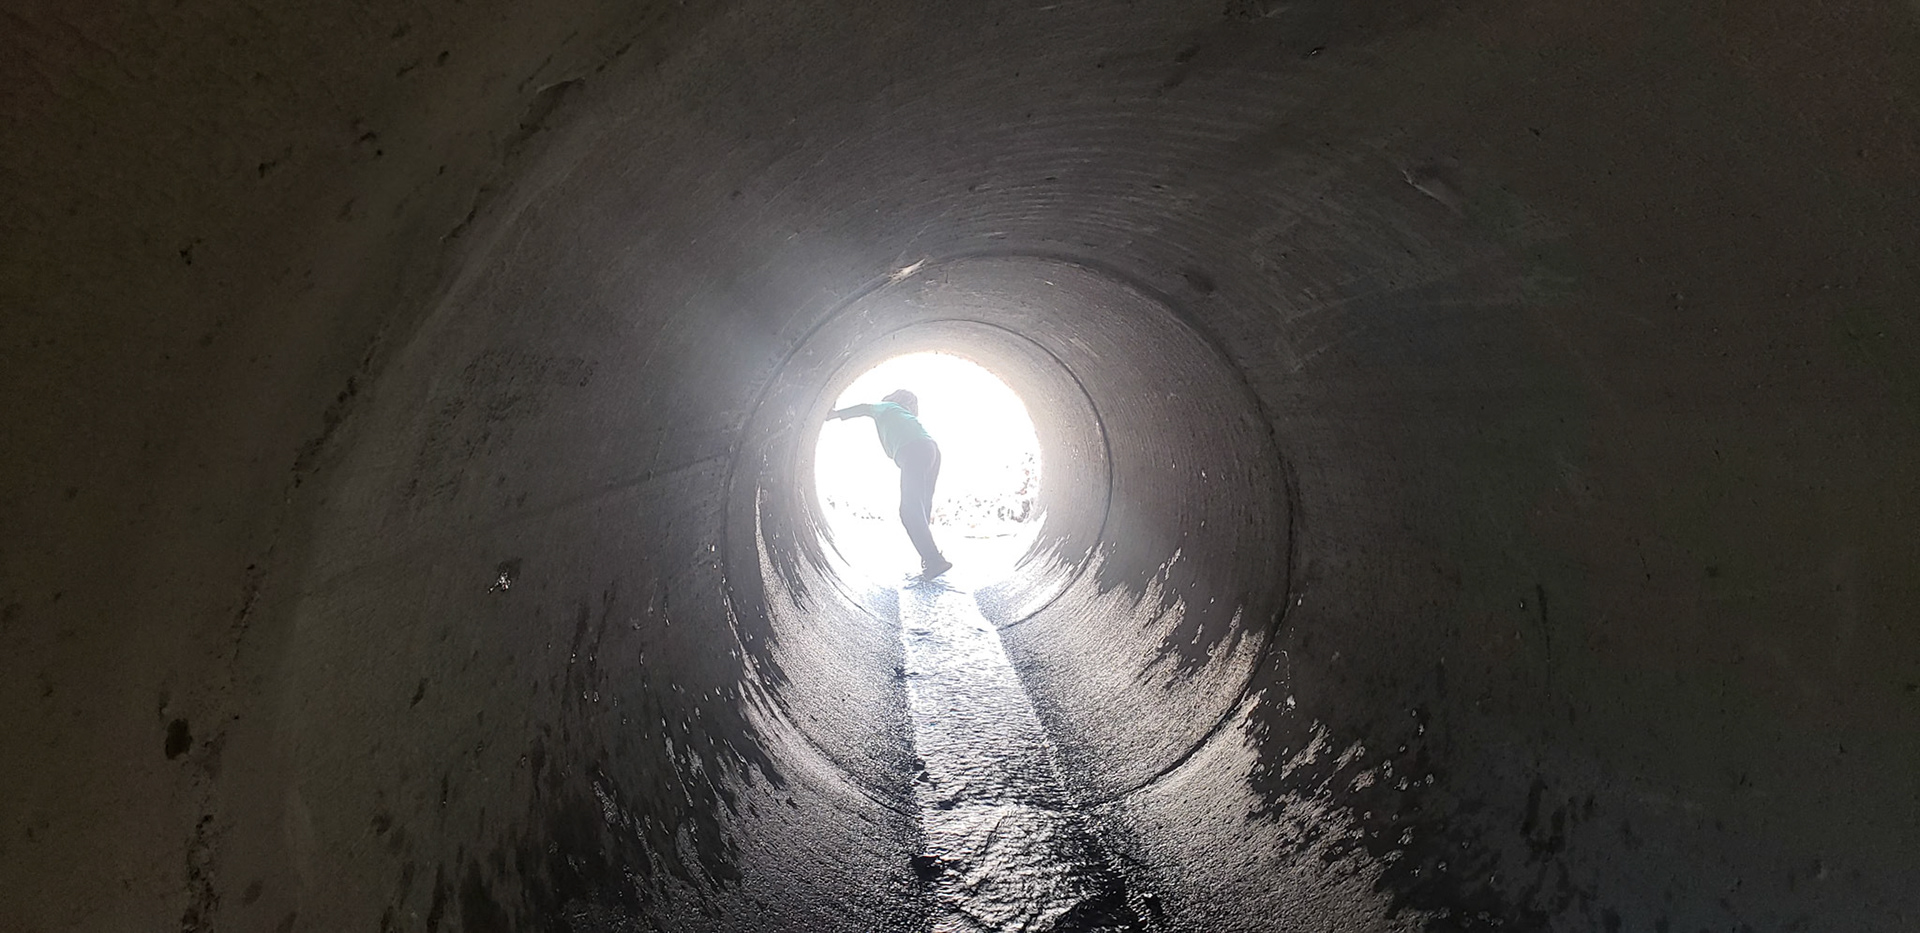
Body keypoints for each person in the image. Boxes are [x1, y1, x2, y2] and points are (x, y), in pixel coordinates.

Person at [828, 389, 954, 579]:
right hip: (932, 451)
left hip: (915, 449)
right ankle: (930, 557)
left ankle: (934, 560)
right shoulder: (903, 416)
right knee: (921, 506)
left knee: (908, 511)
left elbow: (864, 408)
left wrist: (835, 415)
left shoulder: (886, 407)